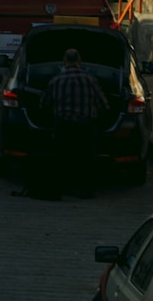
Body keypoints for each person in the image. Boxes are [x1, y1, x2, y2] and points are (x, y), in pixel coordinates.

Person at [40, 47, 109, 199]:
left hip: (63, 126)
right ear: (80, 62)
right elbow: (103, 104)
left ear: (64, 62)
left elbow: (44, 104)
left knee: (63, 157)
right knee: (86, 158)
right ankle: (86, 190)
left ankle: (64, 188)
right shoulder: (90, 80)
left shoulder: (56, 80)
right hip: (86, 126)